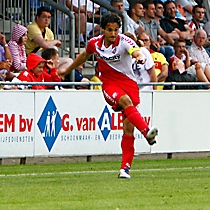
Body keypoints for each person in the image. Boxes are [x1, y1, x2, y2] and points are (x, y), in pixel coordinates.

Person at [58, 13, 158, 180]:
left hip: (129, 84)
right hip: (110, 84)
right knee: (125, 101)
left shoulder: (125, 42)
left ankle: (125, 169)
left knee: (128, 128)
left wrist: (139, 58)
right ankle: (146, 131)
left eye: (116, 30)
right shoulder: (95, 43)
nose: (113, 34)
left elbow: (136, 52)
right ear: (103, 29)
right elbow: (84, 55)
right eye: (110, 30)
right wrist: (66, 70)